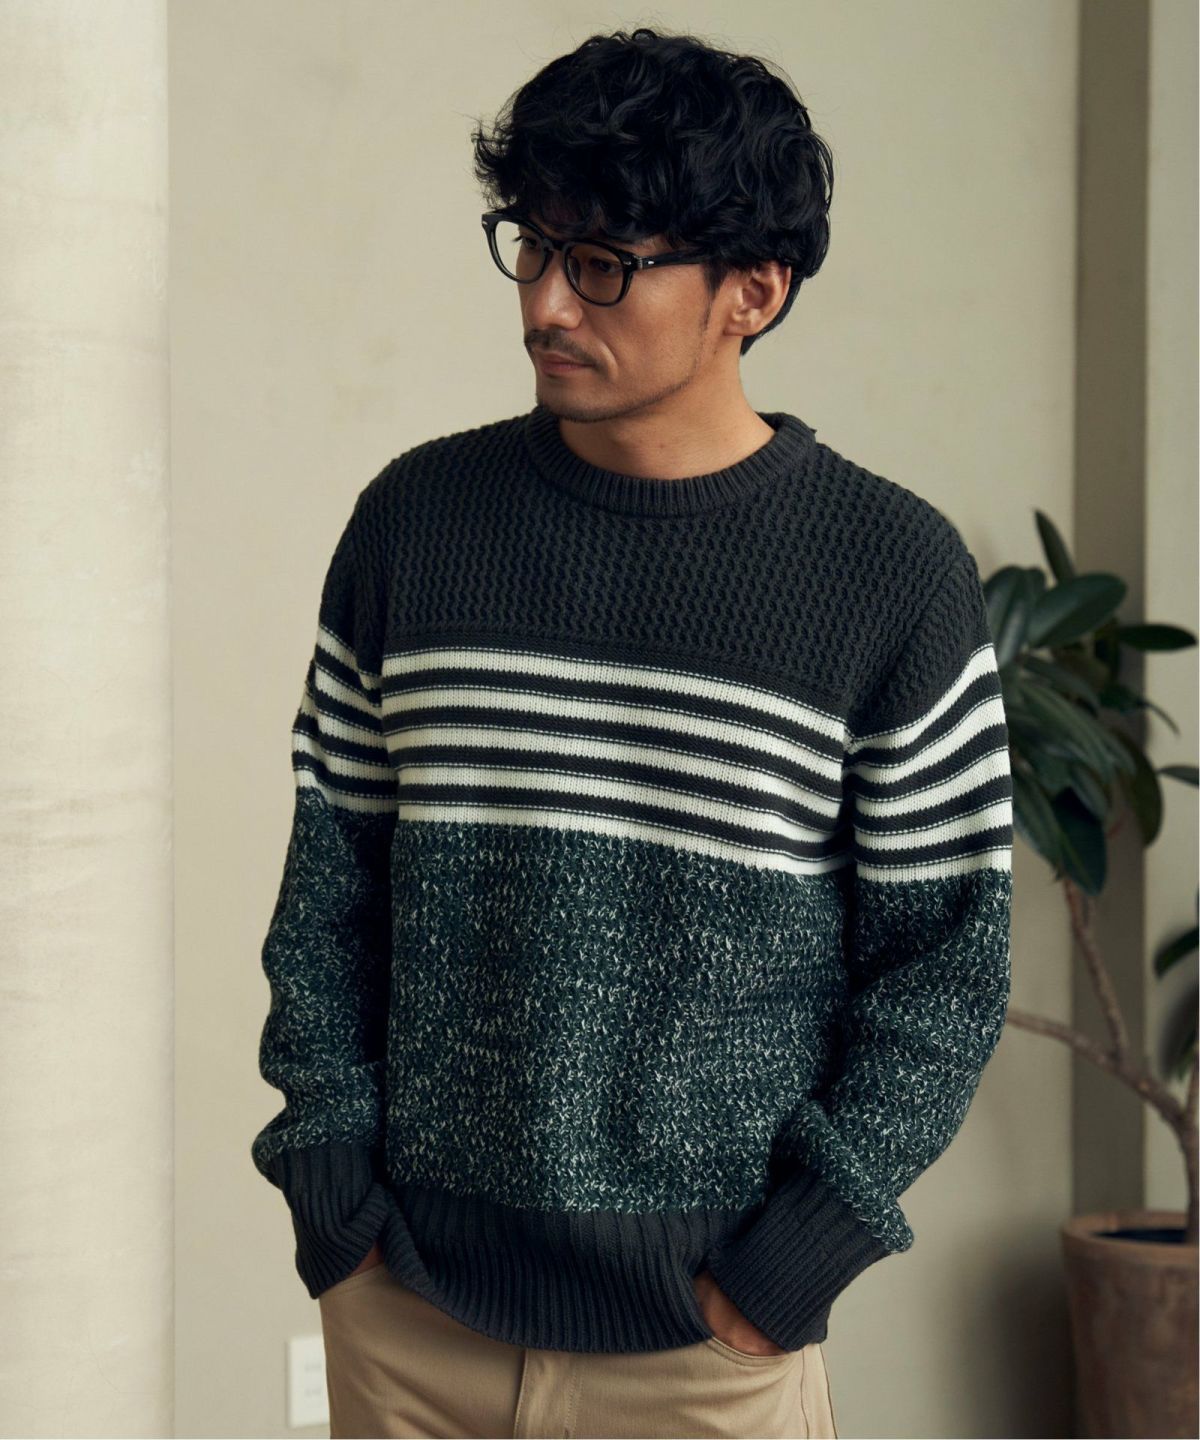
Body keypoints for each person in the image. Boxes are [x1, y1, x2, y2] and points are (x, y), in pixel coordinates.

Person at [250, 25, 1013, 1440]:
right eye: (531, 247)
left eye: (602, 263)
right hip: (408, 1320)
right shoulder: (415, 522)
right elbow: (330, 890)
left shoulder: (889, 574)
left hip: (703, 1350)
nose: (546, 302)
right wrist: (330, 1193)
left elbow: (945, 970)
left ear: (753, 292)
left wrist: (784, 1275)